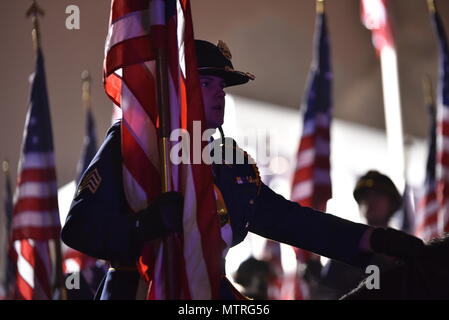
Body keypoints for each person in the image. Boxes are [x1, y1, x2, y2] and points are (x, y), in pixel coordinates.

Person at [61, 40, 423, 300]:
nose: (219, 94)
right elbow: (79, 229)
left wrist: (372, 239)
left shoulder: (227, 161)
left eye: (222, 85)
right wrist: (145, 226)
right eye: (206, 83)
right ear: (177, 90)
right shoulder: (134, 148)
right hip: (138, 291)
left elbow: (291, 221)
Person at [314, 170, 405, 299]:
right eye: (365, 197)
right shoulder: (345, 249)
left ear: (392, 203)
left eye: (378, 195)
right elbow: (325, 295)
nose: (370, 201)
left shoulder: (403, 249)